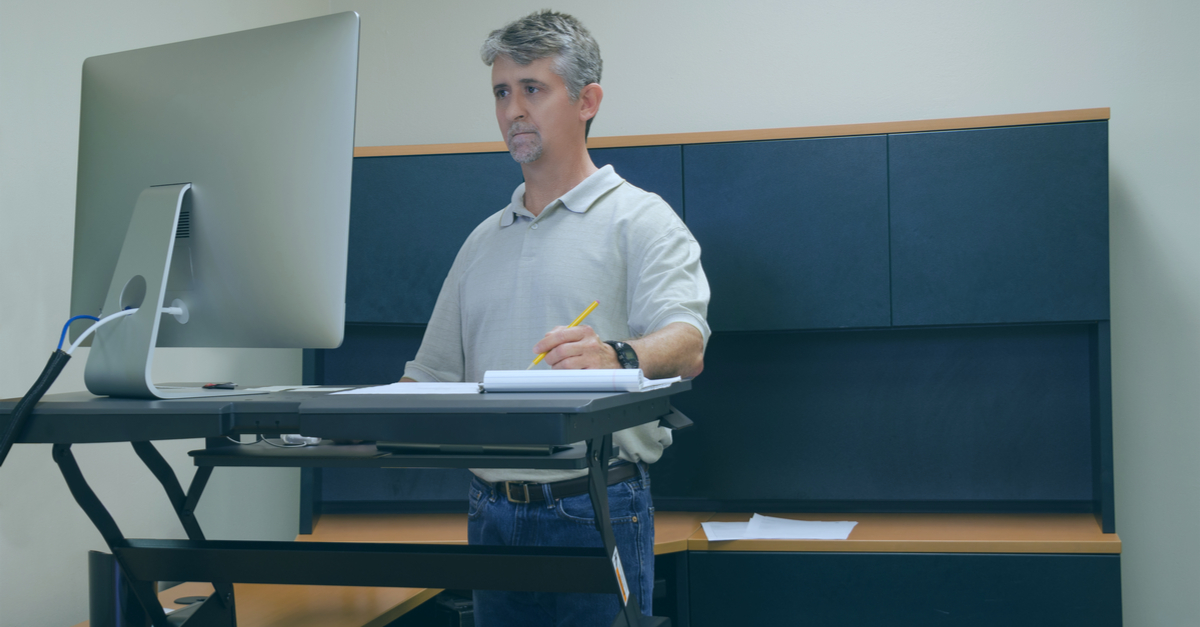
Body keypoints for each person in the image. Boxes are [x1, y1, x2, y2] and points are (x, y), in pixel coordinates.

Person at [401, 10, 710, 626]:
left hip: (593, 502)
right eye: (501, 92)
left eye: (532, 89)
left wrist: (617, 356)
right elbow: (428, 378)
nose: (513, 109)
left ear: (587, 101)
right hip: (491, 511)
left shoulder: (642, 220)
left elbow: (688, 342)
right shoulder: (481, 241)